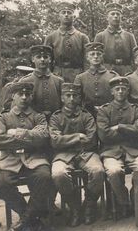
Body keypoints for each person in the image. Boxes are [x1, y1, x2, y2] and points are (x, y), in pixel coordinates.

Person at [0, 82, 52, 231]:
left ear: (32, 96)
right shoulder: (4, 117)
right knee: (2, 184)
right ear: (13, 95)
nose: (24, 97)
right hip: (10, 160)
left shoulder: (38, 116)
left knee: (44, 176)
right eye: (21, 94)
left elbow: (43, 137)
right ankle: (32, 219)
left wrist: (16, 133)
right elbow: (0, 141)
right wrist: (30, 138)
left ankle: (26, 220)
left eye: (28, 94)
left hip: (35, 158)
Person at [49, 83, 104, 226]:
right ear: (62, 98)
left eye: (75, 96)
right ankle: (74, 207)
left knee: (98, 171)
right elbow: (55, 141)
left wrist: (65, 139)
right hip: (63, 155)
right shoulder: (56, 117)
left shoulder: (87, 116)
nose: (72, 99)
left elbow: (91, 140)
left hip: (86, 154)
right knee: (58, 174)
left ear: (79, 98)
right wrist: (78, 136)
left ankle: (89, 205)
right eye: (68, 95)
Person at [97, 76, 138, 219]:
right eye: (117, 89)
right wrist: (131, 131)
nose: (120, 91)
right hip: (111, 151)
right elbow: (104, 135)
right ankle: (124, 202)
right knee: (114, 171)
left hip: (134, 149)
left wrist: (120, 127)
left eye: (123, 89)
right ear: (112, 92)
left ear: (127, 91)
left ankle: (135, 197)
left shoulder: (136, 109)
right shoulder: (104, 110)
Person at [45, 2, 90, 82]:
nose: (66, 15)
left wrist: (85, 78)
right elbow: (47, 60)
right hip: (57, 75)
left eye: (69, 13)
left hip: (77, 76)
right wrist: (48, 77)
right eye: (63, 12)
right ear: (59, 16)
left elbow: (87, 61)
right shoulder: (51, 37)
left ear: (74, 16)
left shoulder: (83, 37)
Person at [19, 45, 64, 120]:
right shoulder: (25, 81)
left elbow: (64, 105)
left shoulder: (59, 81)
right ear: (33, 59)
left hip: (56, 122)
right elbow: (21, 106)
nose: (42, 59)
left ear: (50, 59)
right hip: (32, 122)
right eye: (38, 57)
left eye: (45, 57)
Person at [74, 42, 119, 116]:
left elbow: (118, 98)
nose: (95, 57)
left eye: (98, 54)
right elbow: (77, 100)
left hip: (110, 113)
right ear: (87, 57)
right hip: (87, 115)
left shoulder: (113, 76)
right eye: (92, 54)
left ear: (102, 56)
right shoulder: (80, 78)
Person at [94, 3, 137, 76]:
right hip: (107, 71)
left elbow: (136, 57)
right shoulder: (100, 36)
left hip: (126, 71)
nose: (115, 16)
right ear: (107, 17)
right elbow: (96, 58)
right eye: (112, 14)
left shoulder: (129, 36)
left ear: (121, 17)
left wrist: (133, 72)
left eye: (118, 14)